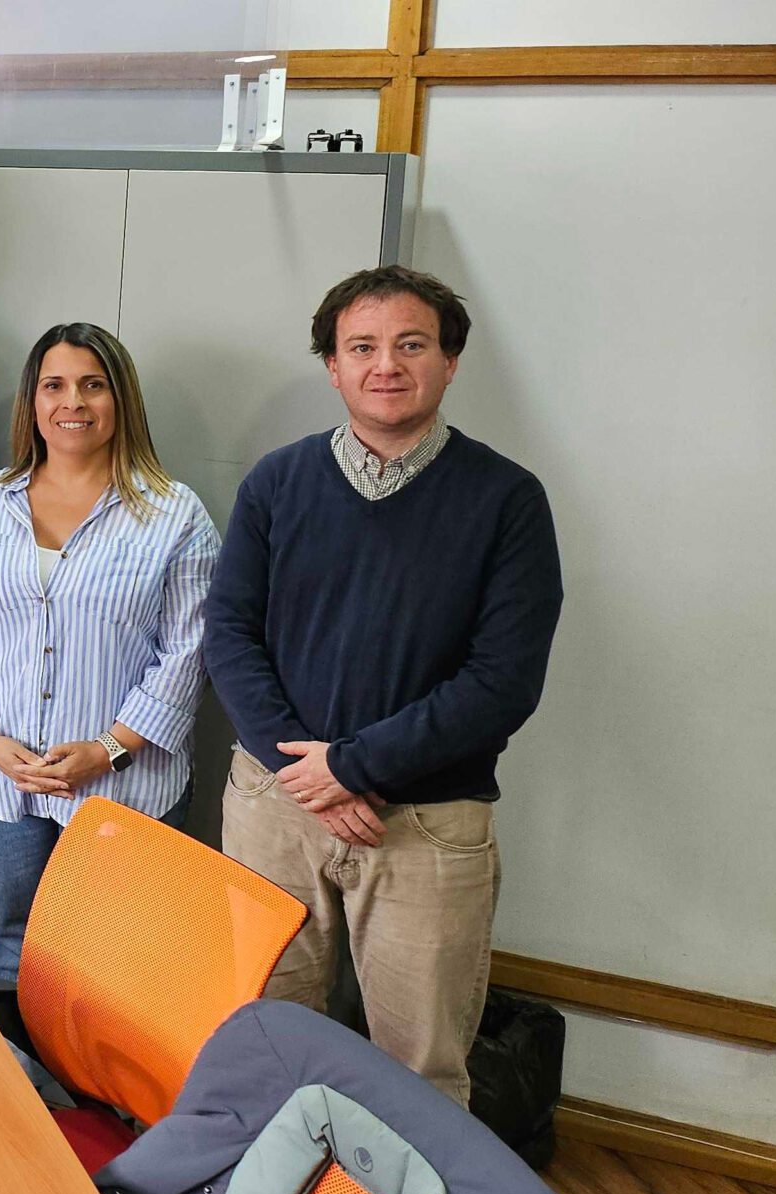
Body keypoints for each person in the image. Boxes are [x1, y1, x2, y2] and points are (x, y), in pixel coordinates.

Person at [205, 265, 562, 1105]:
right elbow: (228, 634)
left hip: (424, 824)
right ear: (333, 366)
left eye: (411, 344)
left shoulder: (508, 500)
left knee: (421, 1073)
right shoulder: (276, 483)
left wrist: (352, 766)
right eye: (361, 347)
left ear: (450, 361)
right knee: (264, 1036)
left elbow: (502, 681)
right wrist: (309, 775)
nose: (386, 365)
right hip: (274, 806)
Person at [0, 322, 219, 980]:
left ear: (121, 398)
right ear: (33, 401)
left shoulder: (175, 515)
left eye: (93, 385)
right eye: (54, 386)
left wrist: (108, 749)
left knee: (110, 968)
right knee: (15, 944)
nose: (72, 402)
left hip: (126, 786)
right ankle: (16, 1054)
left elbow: (188, 653)